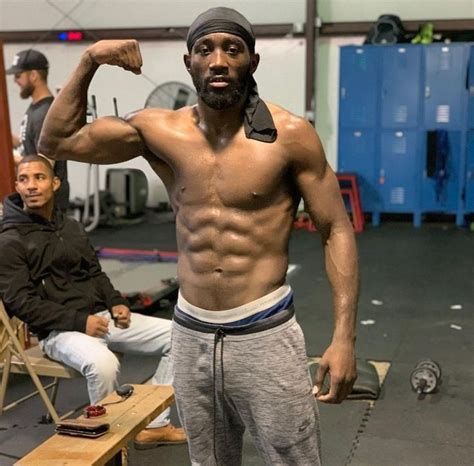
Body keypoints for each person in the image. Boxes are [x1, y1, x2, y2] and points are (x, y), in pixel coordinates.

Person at [39, 7, 359, 465]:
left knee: (294, 458)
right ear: (189, 62)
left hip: (264, 333)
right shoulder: (158, 130)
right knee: (207, 459)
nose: (219, 60)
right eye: (206, 49)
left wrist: (344, 337)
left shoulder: (291, 136)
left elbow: (336, 229)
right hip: (190, 334)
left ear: (252, 62)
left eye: (233, 49)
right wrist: (90, 59)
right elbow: (56, 142)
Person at [0, 155, 186, 449]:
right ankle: (109, 445)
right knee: (103, 365)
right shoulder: (10, 240)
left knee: (181, 336)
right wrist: (79, 322)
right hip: (58, 332)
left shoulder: (71, 226)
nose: (31, 186)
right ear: (18, 187)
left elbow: (95, 273)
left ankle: (153, 424)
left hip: (101, 317)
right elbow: (21, 303)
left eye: (39, 178)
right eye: (24, 179)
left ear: (55, 183)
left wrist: (116, 303)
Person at [6, 49, 69, 212]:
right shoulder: (37, 108)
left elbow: (44, 164)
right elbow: (31, 144)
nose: (15, 81)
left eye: (19, 75)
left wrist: (7, 158)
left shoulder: (45, 114)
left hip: (47, 206)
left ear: (33, 75)